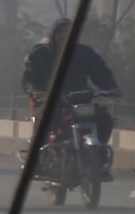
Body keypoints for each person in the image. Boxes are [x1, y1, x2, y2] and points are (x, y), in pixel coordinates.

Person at [22, 17, 120, 175]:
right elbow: (29, 78)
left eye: (68, 32)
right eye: (60, 31)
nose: (63, 35)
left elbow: (101, 72)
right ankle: (36, 160)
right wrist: (36, 91)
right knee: (45, 118)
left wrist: (112, 88)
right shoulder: (40, 53)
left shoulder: (86, 53)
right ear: (53, 33)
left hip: (80, 100)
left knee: (104, 119)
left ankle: (99, 158)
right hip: (51, 101)